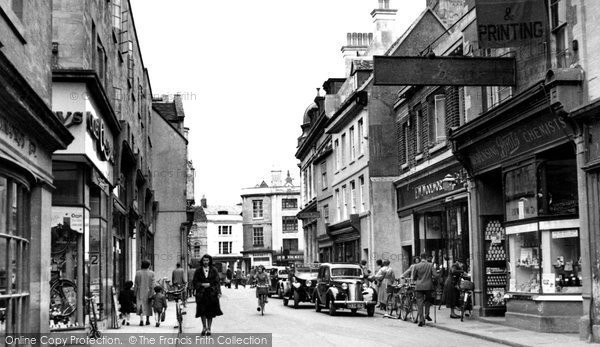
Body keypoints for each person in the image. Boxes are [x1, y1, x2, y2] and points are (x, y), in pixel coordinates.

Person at [193, 254, 223, 336]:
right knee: (202, 311)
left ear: (209, 261)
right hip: (201, 294)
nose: (205, 262)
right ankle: (204, 327)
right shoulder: (198, 270)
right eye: (204, 260)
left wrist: (218, 292)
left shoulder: (214, 270)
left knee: (210, 312)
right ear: (202, 261)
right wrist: (202, 284)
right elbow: (195, 281)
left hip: (211, 293)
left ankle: (209, 328)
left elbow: (217, 282)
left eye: (207, 260)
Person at [413, 252, 438, 327]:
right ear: (426, 257)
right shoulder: (430, 265)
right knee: (428, 300)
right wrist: (434, 280)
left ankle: (421, 319)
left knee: (419, 303)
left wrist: (417, 279)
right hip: (428, 286)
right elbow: (436, 275)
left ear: (420, 257)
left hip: (419, 286)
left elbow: (414, 277)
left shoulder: (416, 266)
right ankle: (427, 313)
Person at [134, 259, 155, 326]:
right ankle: (147, 320)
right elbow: (153, 284)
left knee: (140, 305)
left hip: (140, 291)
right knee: (148, 305)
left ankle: (141, 319)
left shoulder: (138, 273)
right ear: (148, 266)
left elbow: (136, 284)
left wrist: (135, 292)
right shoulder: (152, 273)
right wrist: (152, 293)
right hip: (148, 291)